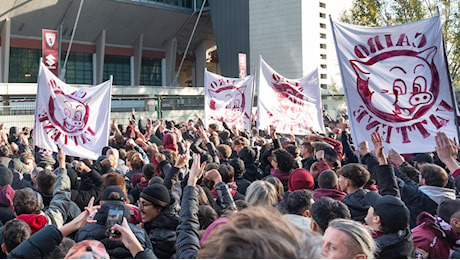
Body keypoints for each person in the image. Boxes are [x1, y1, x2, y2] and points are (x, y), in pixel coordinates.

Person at [364, 193, 414, 258]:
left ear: (376, 219)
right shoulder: (403, 240)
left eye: (372, 206)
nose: (369, 207)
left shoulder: (372, 253)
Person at [139, 183, 179, 258]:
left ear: (159, 208)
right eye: (139, 203)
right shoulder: (153, 225)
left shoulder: (163, 238)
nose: (140, 209)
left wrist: (142, 237)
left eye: (144, 204)